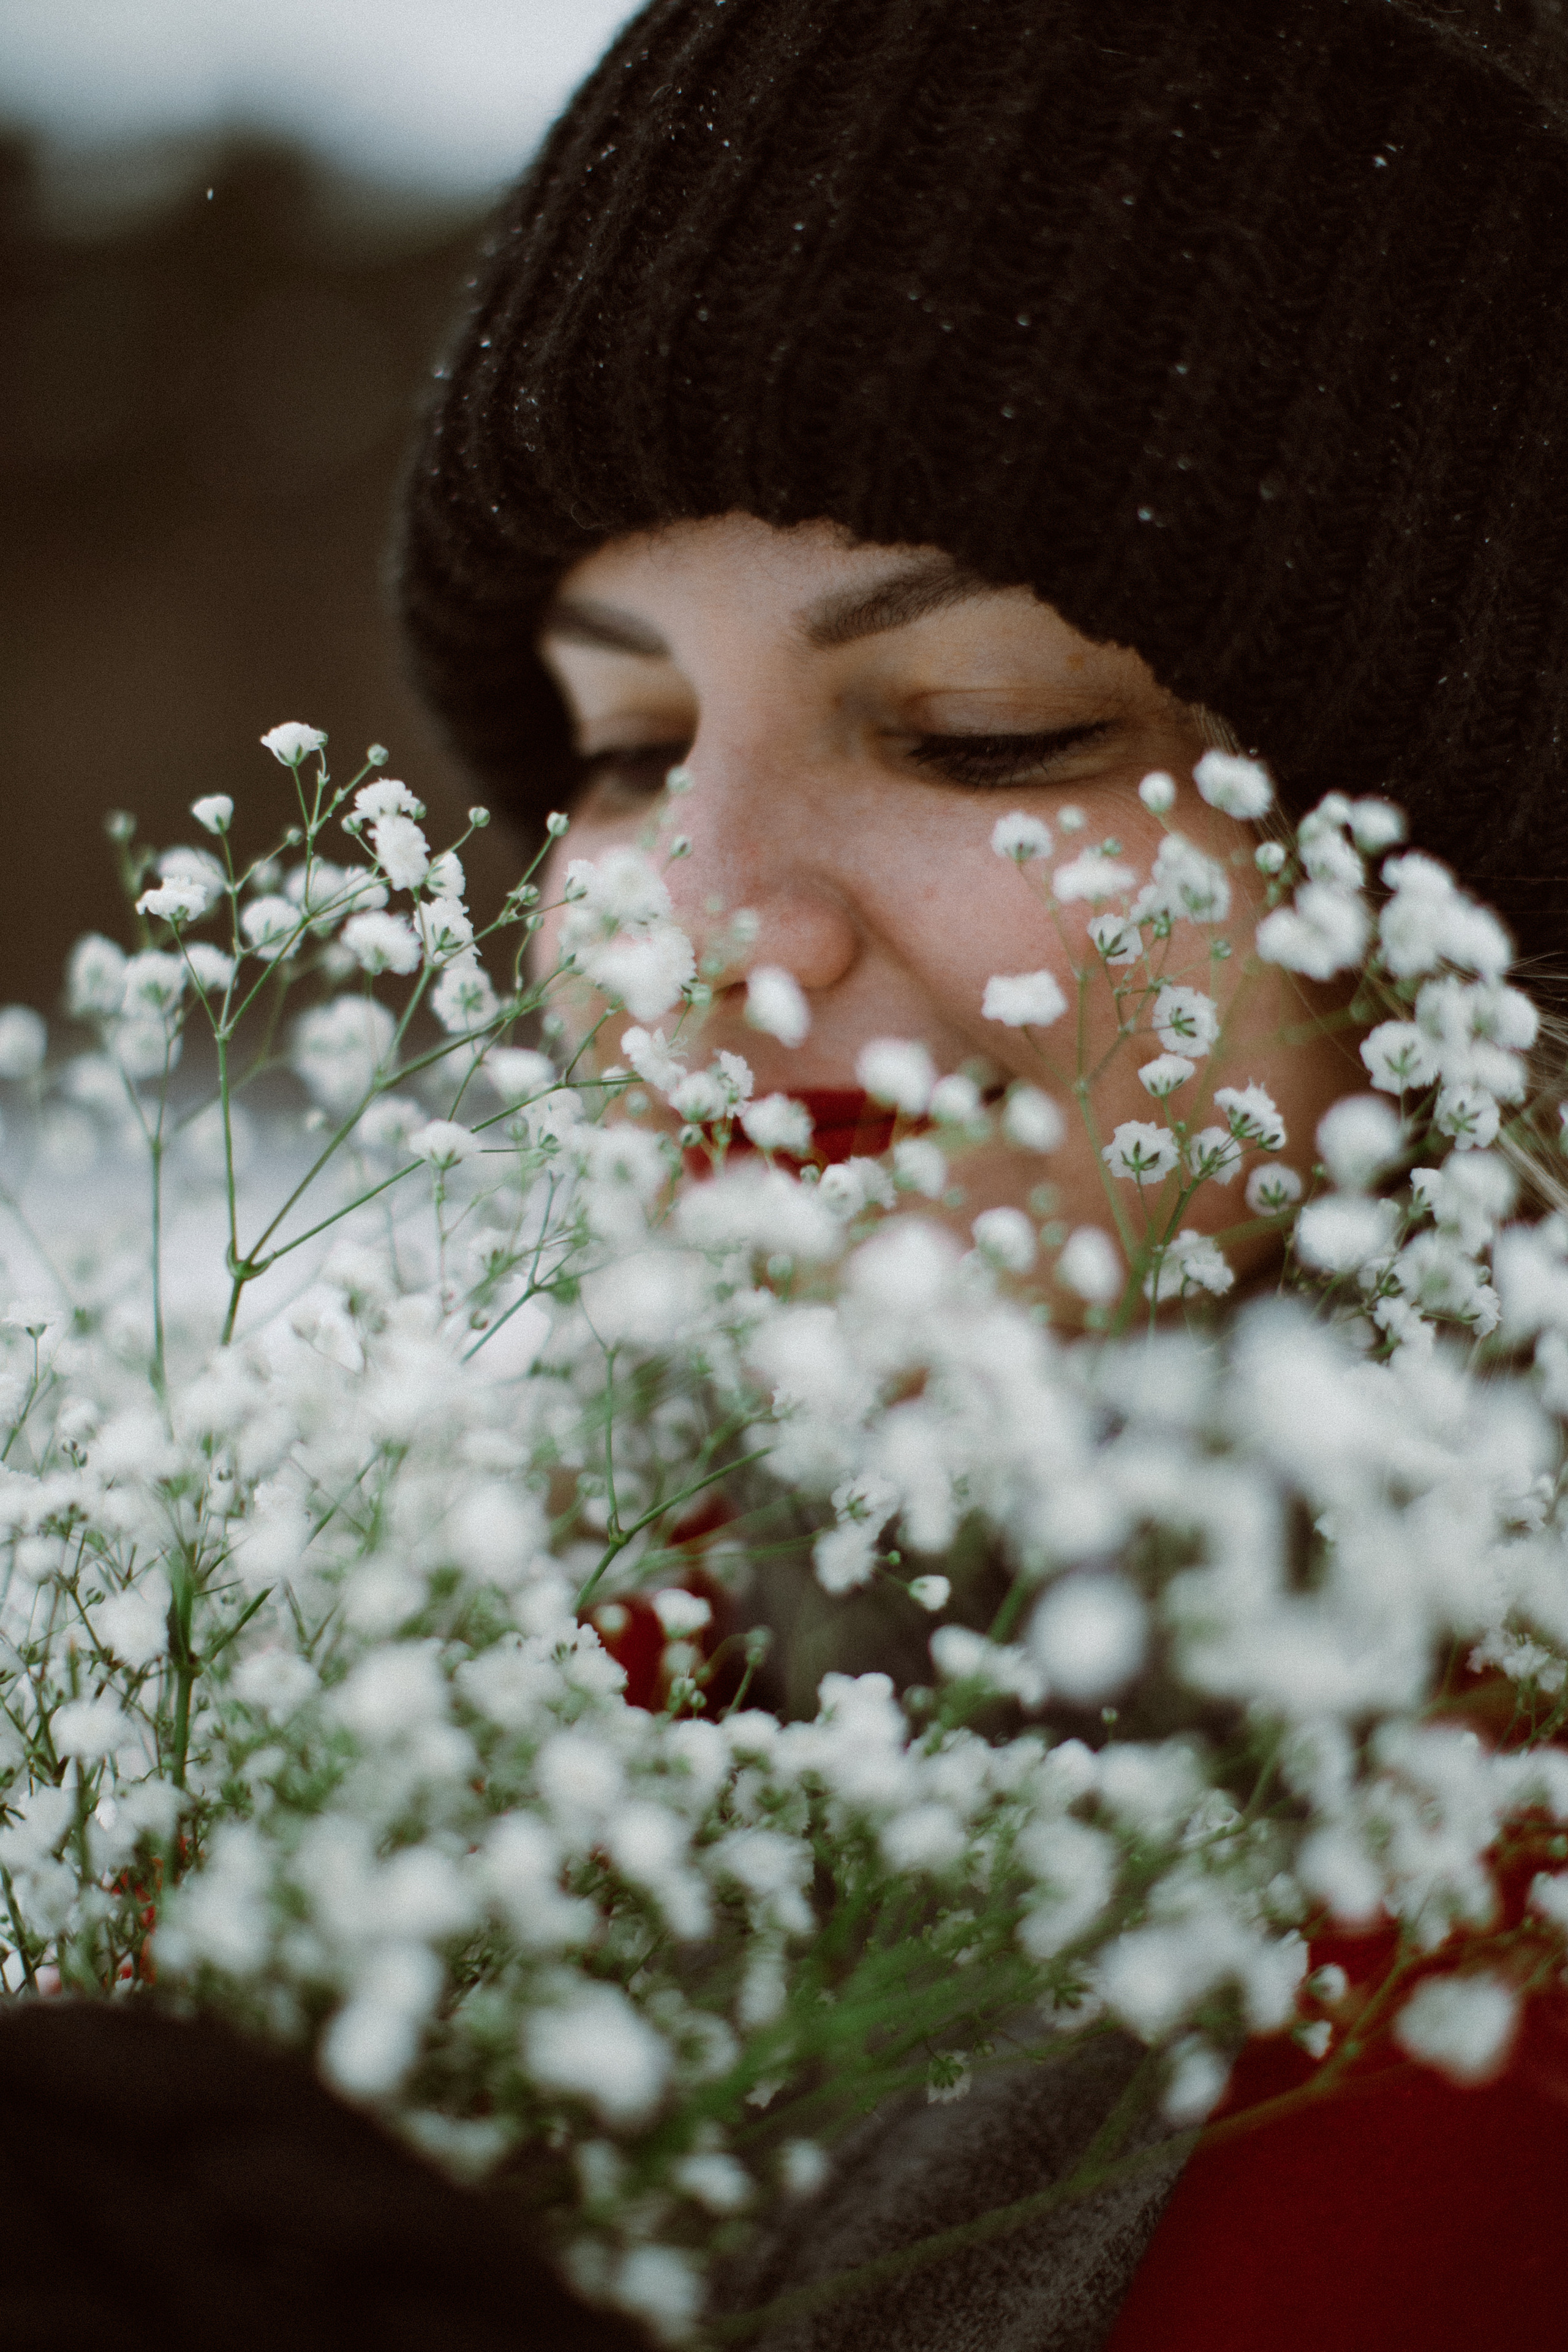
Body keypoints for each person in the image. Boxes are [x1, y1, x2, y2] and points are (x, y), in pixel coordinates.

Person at [396, 2, 1568, 2345]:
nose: (710, 936)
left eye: (979, 732)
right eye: (628, 750)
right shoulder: (442, 1756)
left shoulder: (1488, 2016)